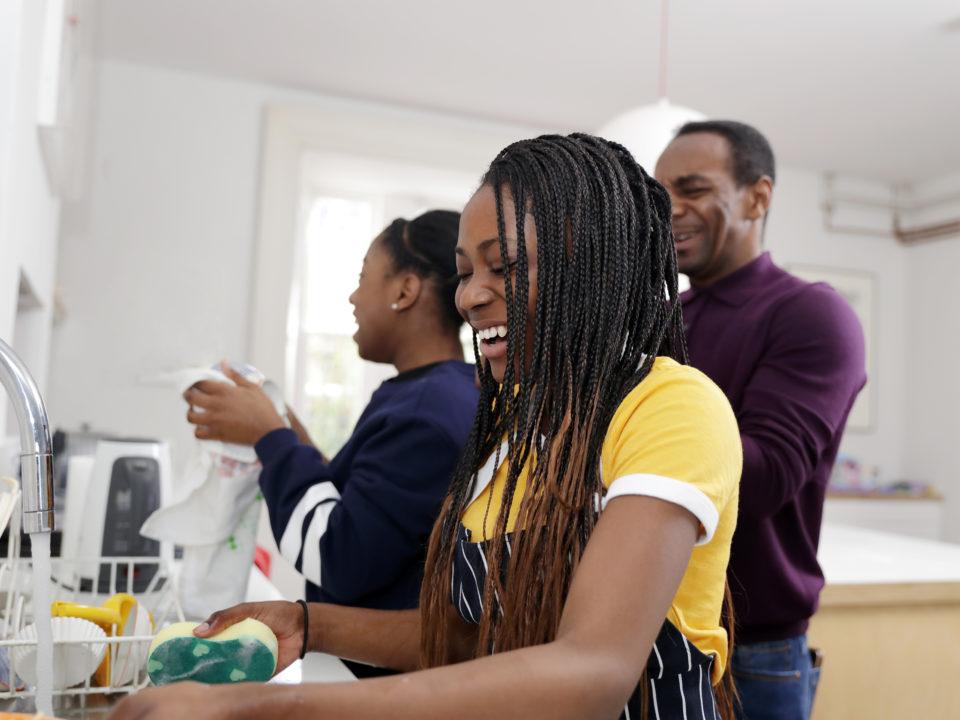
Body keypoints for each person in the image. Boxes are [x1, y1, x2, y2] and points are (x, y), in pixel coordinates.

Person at [113, 134, 742, 719]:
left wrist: (262, 708)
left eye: (505, 267)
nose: (471, 296)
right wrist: (308, 625)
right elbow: (467, 635)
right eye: (467, 271)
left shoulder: (670, 405)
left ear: (595, 269)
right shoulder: (513, 428)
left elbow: (595, 670)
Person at [183, 210, 479, 677]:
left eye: (364, 278)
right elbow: (362, 505)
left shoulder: (425, 413)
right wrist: (285, 428)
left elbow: (337, 555)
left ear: (405, 290)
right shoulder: (433, 393)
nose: (353, 296)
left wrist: (270, 436)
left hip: (381, 689)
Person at [655, 120, 866, 720]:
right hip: (648, 631)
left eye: (691, 188)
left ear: (759, 196)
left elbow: (765, 474)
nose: (668, 209)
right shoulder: (667, 318)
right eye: (658, 192)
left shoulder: (810, 313)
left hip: (752, 652)